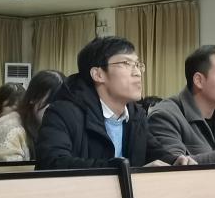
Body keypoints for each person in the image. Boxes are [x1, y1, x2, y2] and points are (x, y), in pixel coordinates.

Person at [36, 37, 154, 169]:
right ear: (98, 74)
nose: (137, 73)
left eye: (137, 65)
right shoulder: (63, 113)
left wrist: (170, 162)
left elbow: (156, 152)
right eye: (126, 63)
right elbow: (52, 163)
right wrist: (118, 169)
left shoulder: (136, 115)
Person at [0, 70, 65, 162]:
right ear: (34, 97)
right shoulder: (9, 130)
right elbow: (12, 171)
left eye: (63, 104)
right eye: (52, 102)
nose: (60, 110)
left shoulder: (52, 129)